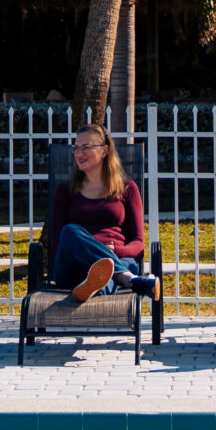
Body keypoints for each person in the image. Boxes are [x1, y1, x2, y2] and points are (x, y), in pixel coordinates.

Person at [38, 125, 153, 301]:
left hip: (118, 257)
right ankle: (126, 278)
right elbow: (57, 243)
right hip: (74, 266)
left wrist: (117, 250)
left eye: (86, 147)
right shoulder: (65, 190)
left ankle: (94, 287)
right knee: (70, 231)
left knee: (105, 272)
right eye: (76, 148)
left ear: (104, 151)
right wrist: (95, 252)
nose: (79, 153)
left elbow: (138, 243)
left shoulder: (128, 189)